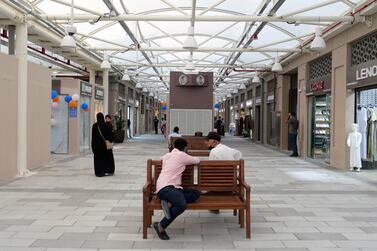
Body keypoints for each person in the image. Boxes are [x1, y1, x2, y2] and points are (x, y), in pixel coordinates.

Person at [153, 138, 200, 240]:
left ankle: (169, 201)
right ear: (185, 148)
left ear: (174, 146)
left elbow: (161, 158)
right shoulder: (181, 155)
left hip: (171, 188)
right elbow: (197, 160)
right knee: (181, 205)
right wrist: (187, 154)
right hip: (166, 187)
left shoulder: (168, 155)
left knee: (196, 193)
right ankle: (161, 226)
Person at [205, 131, 242, 214]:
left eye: (208, 141)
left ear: (214, 141)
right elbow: (238, 154)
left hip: (219, 184)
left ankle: (214, 207)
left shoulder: (213, 152)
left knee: (208, 181)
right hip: (232, 182)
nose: (206, 143)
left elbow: (211, 170)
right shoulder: (230, 149)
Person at [91, 113, 115, 177]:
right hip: (105, 146)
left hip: (97, 147)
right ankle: (105, 170)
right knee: (105, 159)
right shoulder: (106, 125)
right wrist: (110, 141)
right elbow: (111, 136)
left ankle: (98, 172)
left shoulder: (95, 126)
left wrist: (92, 146)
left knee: (98, 159)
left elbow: (93, 137)